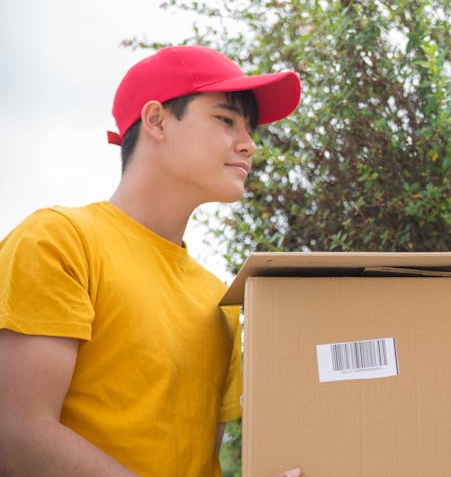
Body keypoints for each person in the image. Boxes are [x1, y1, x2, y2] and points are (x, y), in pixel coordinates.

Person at [0, 46, 303, 476]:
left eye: (250, 128)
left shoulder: (218, 298)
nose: (248, 143)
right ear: (157, 121)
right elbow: (18, 438)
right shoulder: (60, 240)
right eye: (226, 119)